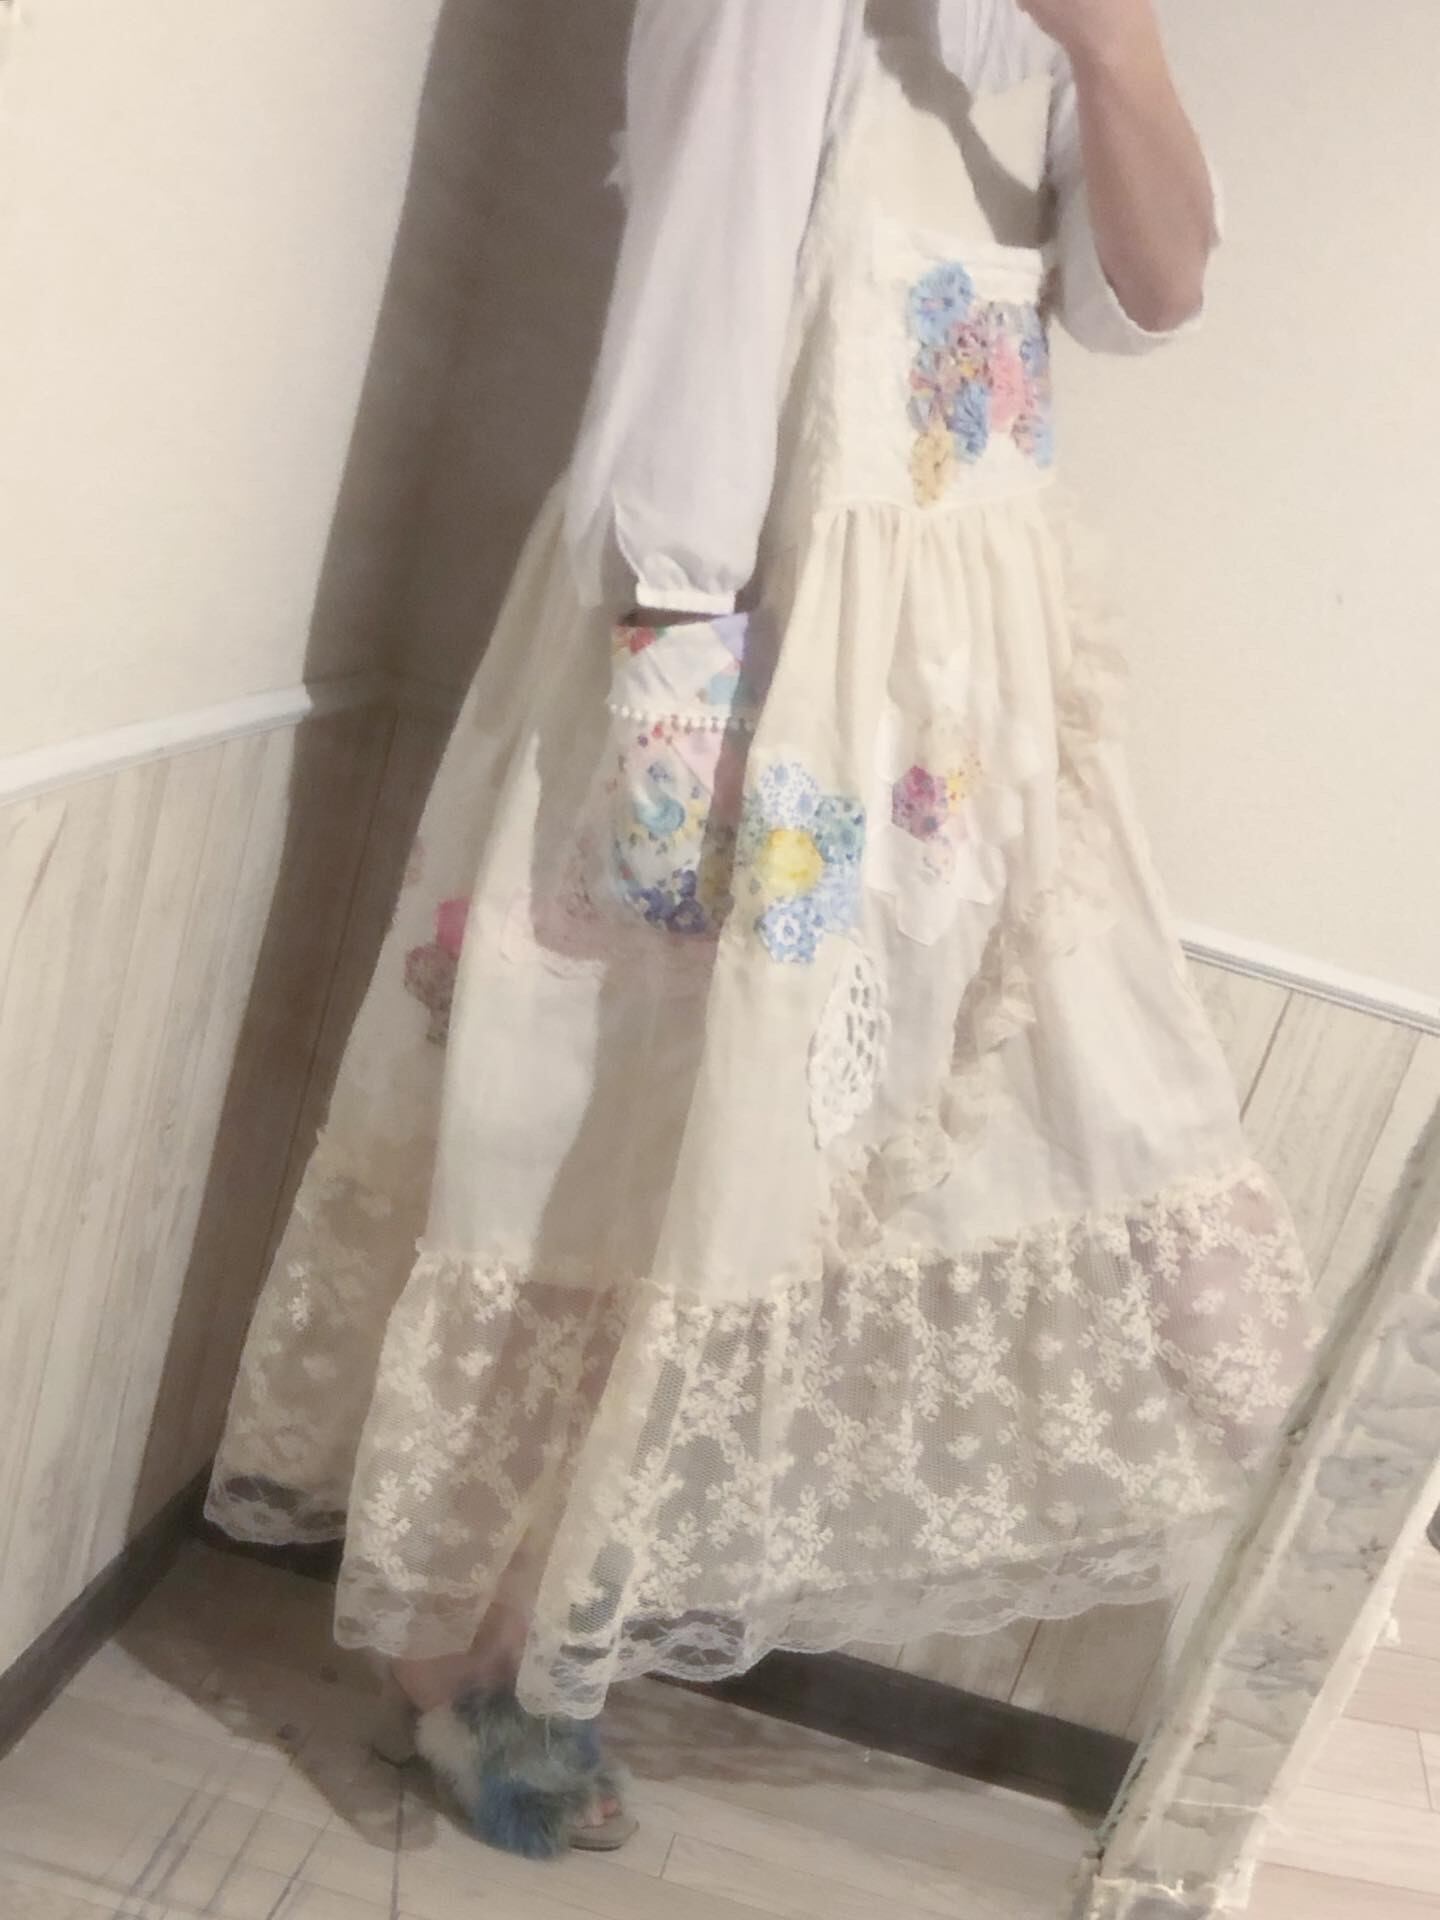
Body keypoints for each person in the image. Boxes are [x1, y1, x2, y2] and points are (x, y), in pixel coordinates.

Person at [208, 0, 1314, 1860]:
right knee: (605, 1131)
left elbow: (1152, 294)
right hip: (751, 640)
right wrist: (674, 668)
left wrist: (1117, 48)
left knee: (798, 1157)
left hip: (954, 675)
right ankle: (461, 1662)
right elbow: (700, 284)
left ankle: (541, 1636)